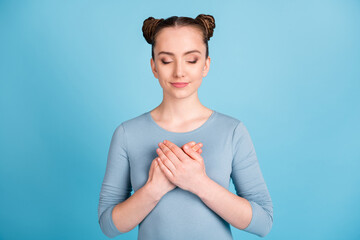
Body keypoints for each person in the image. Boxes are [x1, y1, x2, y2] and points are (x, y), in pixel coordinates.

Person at [98, 14, 273, 240]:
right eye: (166, 60)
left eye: (191, 60)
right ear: (153, 67)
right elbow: (108, 226)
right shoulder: (127, 134)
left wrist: (198, 183)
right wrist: (153, 189)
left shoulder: (232, 131)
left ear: (206, 65)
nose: (179, 71)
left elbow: (263, 223)